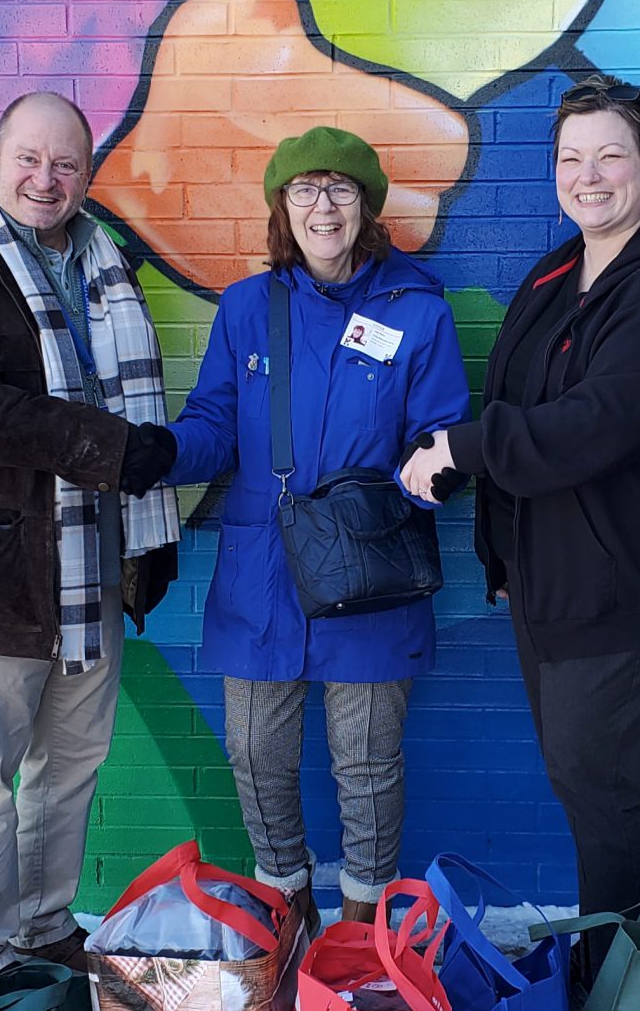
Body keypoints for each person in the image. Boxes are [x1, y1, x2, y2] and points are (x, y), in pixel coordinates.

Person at [402, 77, 640, 985]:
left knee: (603, 790)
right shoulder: (558, 277)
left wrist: (460, 450)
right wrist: (503, 553)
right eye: (570, 159)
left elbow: (594, 424)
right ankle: (631, 983)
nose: (589, 178)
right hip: (553, 584)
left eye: (611, 157)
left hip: (629, 587)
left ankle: (628, 996)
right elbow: (518, 397)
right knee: (588, 787)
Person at [0, 91, 180, 982]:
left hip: (92, 566)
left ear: (87, 174)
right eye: (29, 158)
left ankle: (46, 923)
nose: (45, 179)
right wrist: (112, 447)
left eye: (65, 164)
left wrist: (145, 528)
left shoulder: (108, 264)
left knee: (70, 768)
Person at [168, 126, 469, 924]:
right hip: (263, 571)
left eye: (340, 188)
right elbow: (213, 423)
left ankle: (363, 929)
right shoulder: (245, 308)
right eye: (304, 189)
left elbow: (442, 430)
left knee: (366, 767)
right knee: (256, 754)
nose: (323, 205)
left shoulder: (417, 310)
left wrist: (435, 471)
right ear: (282, 206)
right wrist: (153, 455)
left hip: (372, 566)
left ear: (366, 206)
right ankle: (288, 908)